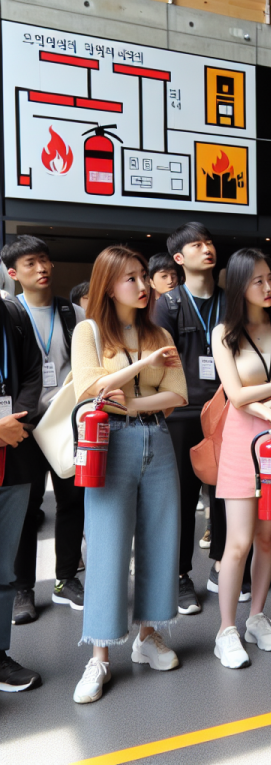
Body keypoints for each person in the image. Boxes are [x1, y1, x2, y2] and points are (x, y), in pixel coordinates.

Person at [71, 245, 187, 704]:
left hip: (156, 438)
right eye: (131, 278)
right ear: (108, 284)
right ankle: (99, 655)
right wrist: (143, 367)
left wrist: (135, 401)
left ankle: (148, 636)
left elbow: (177, 394)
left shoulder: (159, 331)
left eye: (144, 276)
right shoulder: (89, 332)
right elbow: (90, 388)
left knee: (162, 538)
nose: (143, 286)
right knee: (106, 545)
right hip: (108, 442)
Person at [211, 248, 271, 668]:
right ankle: (226, 630)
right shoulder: (223, 333)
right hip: (243, 438)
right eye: (258, 281)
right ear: (238, 285)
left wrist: (267, 400)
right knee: (237, 542)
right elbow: (233, 396)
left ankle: (256, 617)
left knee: (270, 536)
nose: (269, 287)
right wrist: (270, 403)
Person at [2, 236, 86, 624]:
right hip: (23, 426)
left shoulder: (72, 313)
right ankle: (23, 589)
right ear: (13, 273)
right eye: (32, 263)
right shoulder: (9, 313)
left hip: (66, 425)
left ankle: (66, 577)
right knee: (25, 509)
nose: (43, 268)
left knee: (73, 501)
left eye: (46, 261)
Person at [154, 222, 225, 615]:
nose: (206, 249)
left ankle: (221, 565)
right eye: (196, 245)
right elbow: (162, 363)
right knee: (180, 499)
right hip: (181, 415)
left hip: (225, 411)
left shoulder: (229, 301)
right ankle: (181, 576)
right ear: (179, 259)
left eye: (209, 242)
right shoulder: (168, 303)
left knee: (225, 494)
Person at [0, 295, 42, 692]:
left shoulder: (12, 313)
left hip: (14, 456)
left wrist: (14, 422)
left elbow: (32, 373)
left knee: (3, 568)